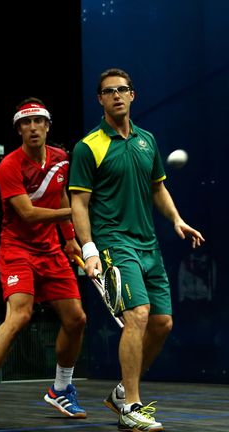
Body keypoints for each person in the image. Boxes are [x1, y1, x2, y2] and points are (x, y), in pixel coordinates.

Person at [69, 68, 204, 432]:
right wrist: (91, 248)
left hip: (149, 245)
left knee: (162, 323)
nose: (116, 95)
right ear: (100, 99)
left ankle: (120, 393)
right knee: (138, 315)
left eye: (122, 90)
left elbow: (158, 189)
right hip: (115, 243)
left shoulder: (147, 141)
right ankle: (131, 406)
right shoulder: (88, 147)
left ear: (133, 95)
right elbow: (79, 203)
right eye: (109, 91)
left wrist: (176, 219)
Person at [0, 98, 86, 427]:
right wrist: (76, 211)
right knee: (19, 315)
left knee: (76, 320)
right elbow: (29, 214)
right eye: (26, 123)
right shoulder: (9, 167)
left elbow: (59, 194)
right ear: (18, 130)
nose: (33, 128)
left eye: (38, 122)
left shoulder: (61, 159)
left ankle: (61, 389)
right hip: (17, 249)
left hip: (52, 252)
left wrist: (70, 236)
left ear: (47, 126)